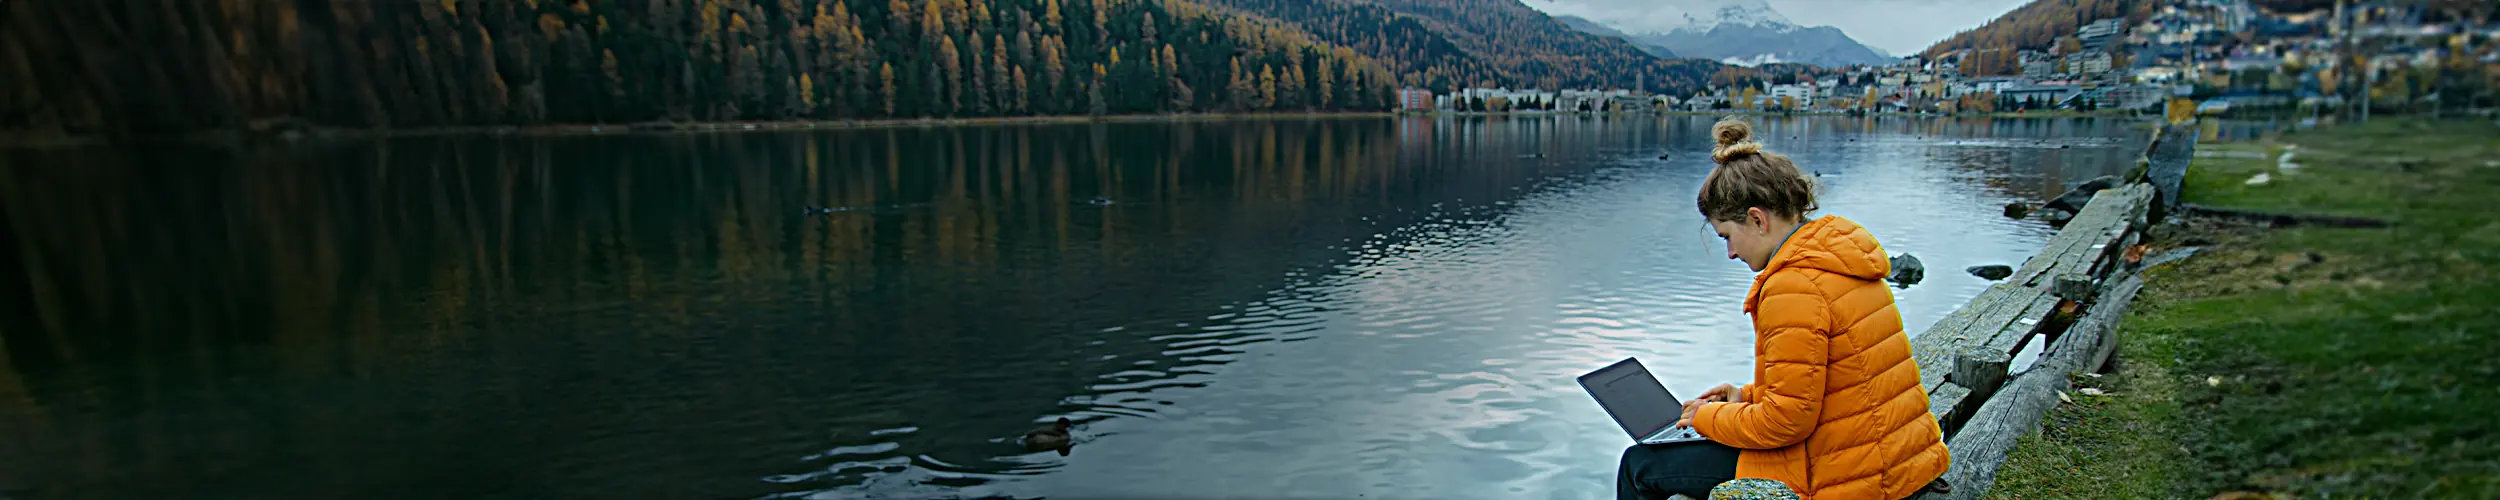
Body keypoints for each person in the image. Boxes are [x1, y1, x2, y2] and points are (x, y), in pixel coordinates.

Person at [1616, 118, 1950, 500]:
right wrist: (1746, 397)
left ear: (1757, 219)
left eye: (1728, 236)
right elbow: (1831, 386)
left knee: (1639, 464)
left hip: (1848, 480)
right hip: (1893, 462)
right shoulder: (1838, 257)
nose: (1731, 253)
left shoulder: (1793, 286)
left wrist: (1705, 418)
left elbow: (1785, 424)